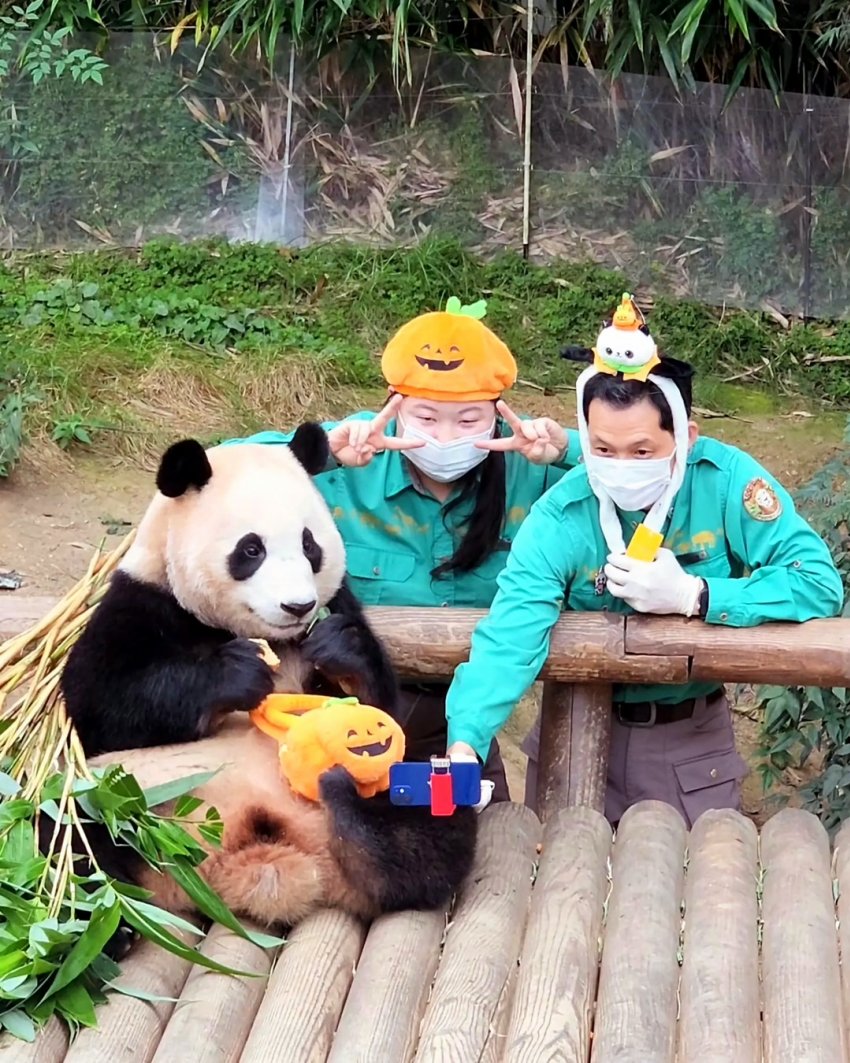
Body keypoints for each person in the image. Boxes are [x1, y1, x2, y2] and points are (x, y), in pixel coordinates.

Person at [444, 293, 844, 827]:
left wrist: (699, 596)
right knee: (559, 891)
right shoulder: (563, 512)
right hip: (572, 729)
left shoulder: (724, 482)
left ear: (683, 437)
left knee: (692, 893)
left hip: (688, 742)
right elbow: (512, 628)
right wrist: (466, 739)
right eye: (603, 449)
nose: (620, 466)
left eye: (641, 451)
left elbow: (816, 581)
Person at [223, 296, 581, 802]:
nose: (445, 438)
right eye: (427, 418)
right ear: (395, 404)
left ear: (501, 415)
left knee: (493, 857)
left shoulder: (532, 469)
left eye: (470, 421)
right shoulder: (349, 460)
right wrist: (321, 454)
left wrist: (568, 450)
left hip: (462, 730)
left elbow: (646, 474)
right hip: (342, 720)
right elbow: (218, 469)